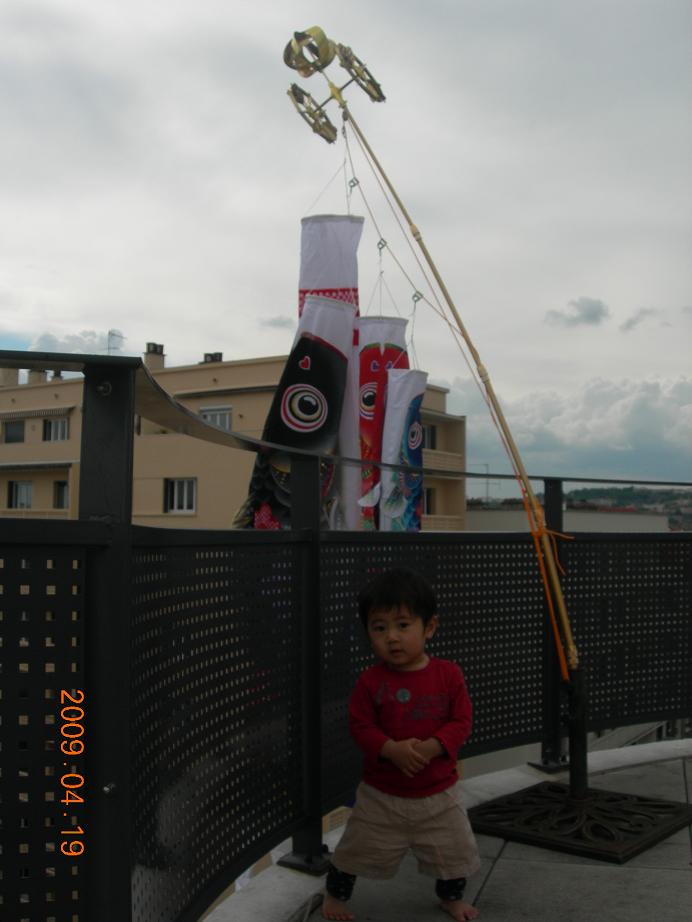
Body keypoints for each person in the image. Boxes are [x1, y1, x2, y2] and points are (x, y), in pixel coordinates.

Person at [322, 568, 481, 922]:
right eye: (379, 628)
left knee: (455, 851)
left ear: (430, 627)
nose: (391, 637)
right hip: (381, 796)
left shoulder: (449, 674)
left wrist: (434, 746)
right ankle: (335, 896)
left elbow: (461, 722)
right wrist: (390, 749)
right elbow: (361, 727)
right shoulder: (370, 681)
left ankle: (450, 898)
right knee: (354, 850)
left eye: (403, 625)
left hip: (439, 794)